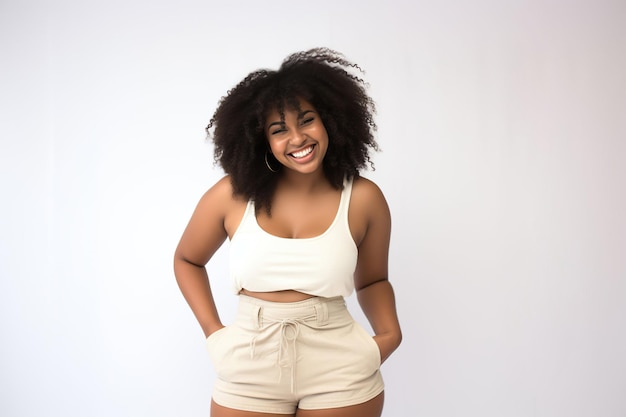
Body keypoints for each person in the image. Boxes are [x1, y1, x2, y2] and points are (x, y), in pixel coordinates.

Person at [174, 47, 402, 417]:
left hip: (339, 362)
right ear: (261, 140)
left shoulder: (363, 198)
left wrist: (389, 335)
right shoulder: (231, 196)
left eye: (307, 120)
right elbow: (187, 259)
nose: (297, 138)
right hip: (249, 359)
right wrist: (214, 333)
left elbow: (373, 280)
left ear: (330, 120)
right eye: (279, 130)